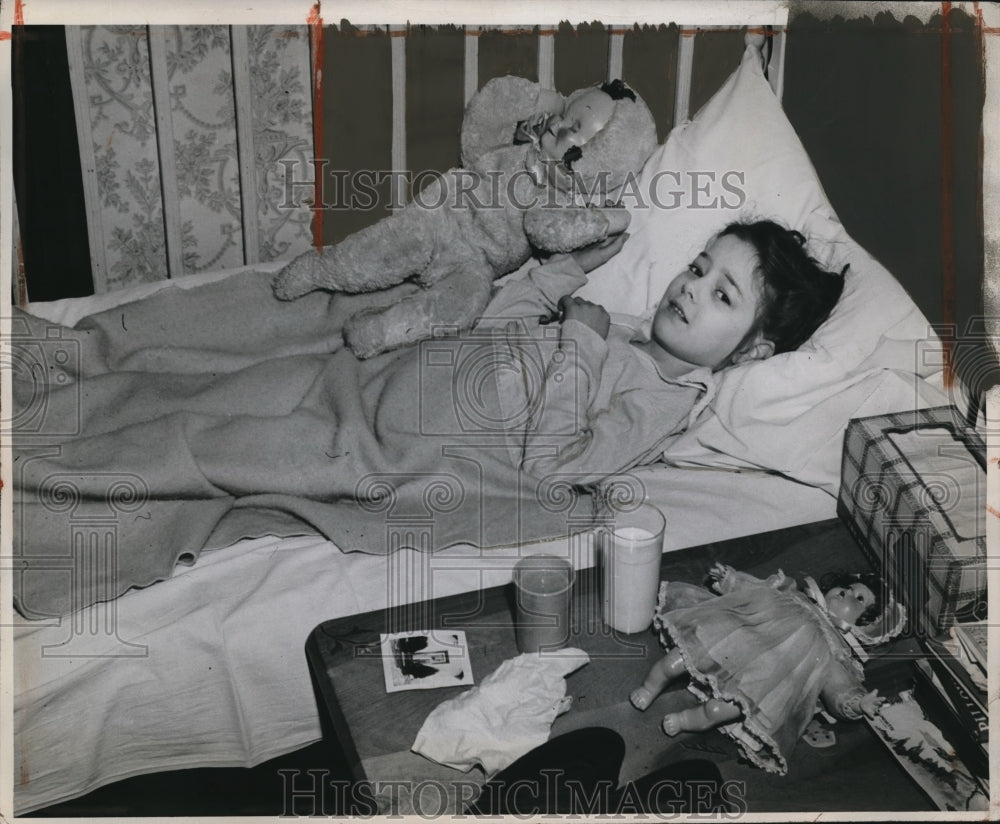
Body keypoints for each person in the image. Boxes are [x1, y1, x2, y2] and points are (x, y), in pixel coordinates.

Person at [11, 218, 843, 617]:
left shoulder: (662, 401)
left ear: (751, 352)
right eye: (698, 267)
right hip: (386, 376)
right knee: (195, 383)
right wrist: (558, 279)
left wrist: (580, 343)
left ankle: (38, 481)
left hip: (408, 440)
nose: (690, 288)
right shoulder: (621, 326)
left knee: (204, 445)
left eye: (722, 295)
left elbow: (557, 464)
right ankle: (51, 404)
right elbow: (497, 325)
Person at [270, 78, 656, 358]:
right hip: (442, 216)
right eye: (566, 114)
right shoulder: (516, 147)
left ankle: (380, 330)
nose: (559, 125)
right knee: (378, 253)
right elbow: (485, 117)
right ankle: (320, 270)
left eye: (575, 129)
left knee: (464, 305)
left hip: (476, 261)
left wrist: (606, 219)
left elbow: (549, 231)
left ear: (596, 161)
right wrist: (540, 99)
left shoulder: (559, 200)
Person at [629, 563, 906, 775]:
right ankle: (650, 687)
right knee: (678, 659)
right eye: (850, 587)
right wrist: (730, 579)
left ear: (863, 624)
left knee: (717, 710)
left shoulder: (833, 650)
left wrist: (858, 703)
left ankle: (686, 720)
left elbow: (839, 687)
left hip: (761, 682)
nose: (848, 593)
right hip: (735, 638)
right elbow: (755, 591)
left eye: (859, 600)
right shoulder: (794, 595)